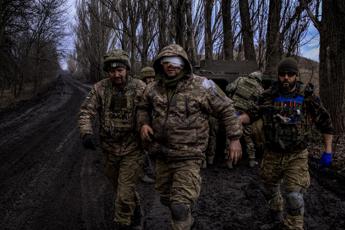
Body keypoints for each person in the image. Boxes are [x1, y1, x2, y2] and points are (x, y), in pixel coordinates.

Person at [137, 44, 243, 230]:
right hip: (161, 154)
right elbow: (143, 107)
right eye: (166, 61)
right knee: (165, 198)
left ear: (184, 63)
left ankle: (183, 218)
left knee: (179, 206)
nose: (171, 65)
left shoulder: (202, 86)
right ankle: (185, 215)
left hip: (189, 155)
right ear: (161, 64)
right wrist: (143, 124)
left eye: (176, 61)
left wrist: (234, 138)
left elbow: (226, 108)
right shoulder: (153, 88)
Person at [240, 57, 334, 230]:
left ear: (296, 76)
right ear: (278, 76)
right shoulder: (268, 96)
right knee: (269, 189)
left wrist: (328, 151)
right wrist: (234, 120)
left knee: (294, 197)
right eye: (282, 74)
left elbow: (326, 124)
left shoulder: (307, 97)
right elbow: (251, 114)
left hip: (296, 155)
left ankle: (293, 226)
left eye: (290, 74)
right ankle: (276, 216)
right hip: (272, 154)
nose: (286, 78)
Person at [78, 49, 146, 230]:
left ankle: (124, 223)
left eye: (120, 70)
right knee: (120, 189)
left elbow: (154, 109)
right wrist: (86, 132)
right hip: (109, 150)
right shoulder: (100, 88)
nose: (116, 74)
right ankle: (137, 212)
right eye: (112, 71)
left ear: (127, 70)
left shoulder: (140, 87)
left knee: (123, 195)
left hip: (133, 149)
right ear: (108, 71)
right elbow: (86, 111)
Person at [226, 71, 264, 168]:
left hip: (234, 112)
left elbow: (228, 88)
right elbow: (260, 103)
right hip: (245, 115)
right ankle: (252, 160)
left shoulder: (240, 79)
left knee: (231, 137)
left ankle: (229, 161)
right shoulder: (259, 88)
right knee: (248, 138)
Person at [139, 66, 156, 183]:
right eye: (147, 77)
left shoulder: (156, 88)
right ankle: (143, 173)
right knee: (142, 150)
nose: (149, 80)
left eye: (151, 77)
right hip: (141, 123)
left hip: (154, 123)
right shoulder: (139, 88)